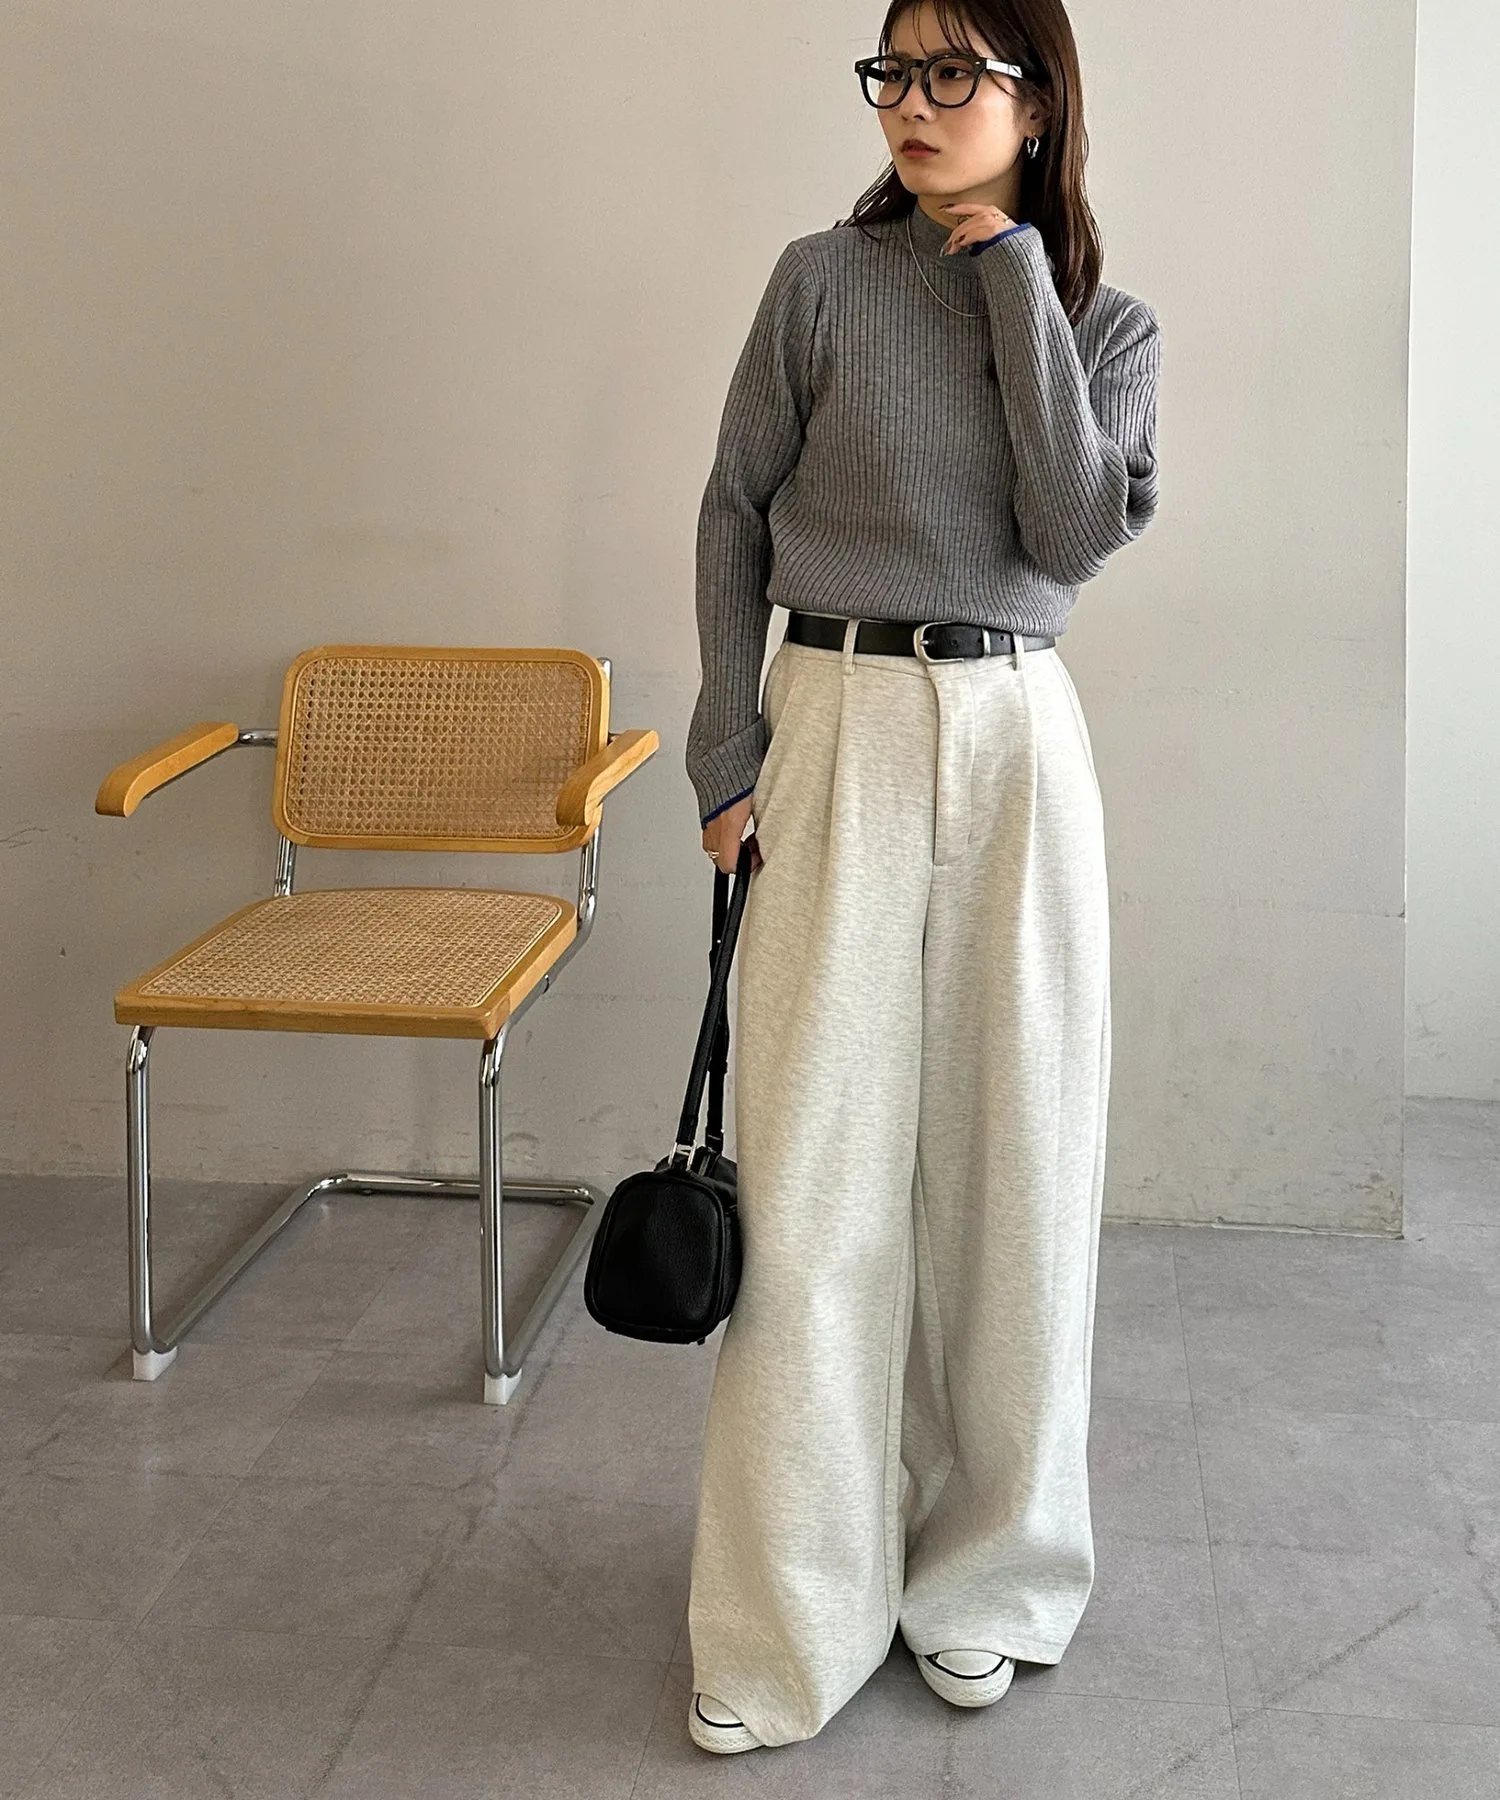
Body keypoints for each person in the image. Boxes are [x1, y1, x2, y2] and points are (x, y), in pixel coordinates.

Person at [682, 0, 1161, 1755]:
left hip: (1019, 739)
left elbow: (1072, 531)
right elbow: (733, 511)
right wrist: (727, 749)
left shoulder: (1106, 320)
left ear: (1039, 102)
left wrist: (1012, 275)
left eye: (956, 73)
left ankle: (990, 1579)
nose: (913, 102)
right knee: (812, 1178)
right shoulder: (818, 281)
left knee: (1016, 1167)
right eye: (893, 70)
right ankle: (786, 1617)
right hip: (832, 719)